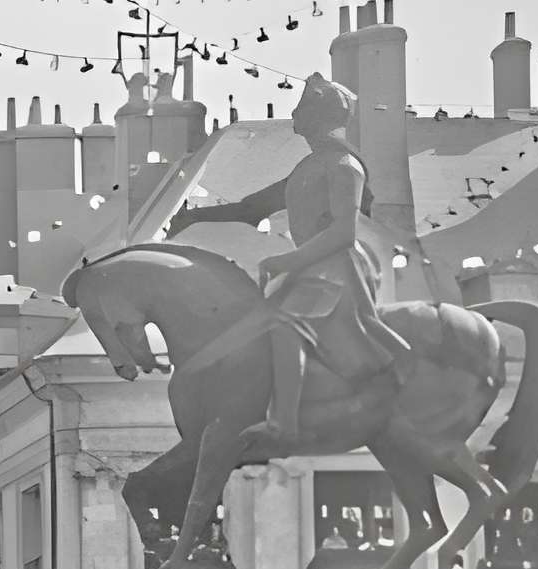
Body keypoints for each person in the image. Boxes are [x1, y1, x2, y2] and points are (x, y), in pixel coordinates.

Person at [164, 67, 417, 452]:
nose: (295, 116)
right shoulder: (308, 168)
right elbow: (251, 208)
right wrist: (195, 216)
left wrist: (290, 262)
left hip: (338, 264)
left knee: (284, 325)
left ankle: (284, 422)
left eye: (301, 109)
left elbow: (344, 232)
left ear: (318, 116)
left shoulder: (344, 166)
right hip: (314, 265)